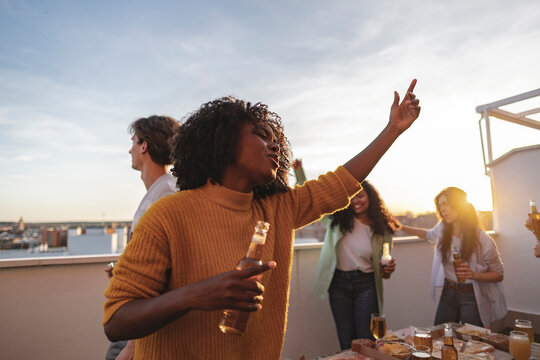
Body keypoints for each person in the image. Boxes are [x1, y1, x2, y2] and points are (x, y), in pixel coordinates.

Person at [103, 80, 421, 360]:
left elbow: (339, 183)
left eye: (275, 140)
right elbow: (117, 319)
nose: (273, 145)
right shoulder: (167, 215)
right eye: (259, 134)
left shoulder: (279, 208)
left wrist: (393, 129)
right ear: (222, 143)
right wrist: (195, 295)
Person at [105, 115, 179, 360]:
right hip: (141, 319)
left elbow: (165, 278)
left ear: (144, 146)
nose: (130, 149)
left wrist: (131, 348)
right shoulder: (161, 190)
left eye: (133, 141)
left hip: (143, 329)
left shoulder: (165, 195)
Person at [399, 187, 506, 328]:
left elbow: (498, 274)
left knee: (471, 340)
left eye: (446, 204)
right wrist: (401, 227)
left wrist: (473, 274)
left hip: (471, 295)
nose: (442, 209)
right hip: (448, 292)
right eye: (440, 205)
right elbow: (428, 235)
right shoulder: (443, 228)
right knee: (441, 335)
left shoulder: (483, 239)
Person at [311, 180, 398, 350]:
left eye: (360, 196)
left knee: (366, 339)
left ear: (370, 197)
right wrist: (300, 174)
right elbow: (314, 205)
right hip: (338, 285)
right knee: (346, 341)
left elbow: (384, 272)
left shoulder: (383, 229)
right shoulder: (336, 220)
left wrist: (388, 269)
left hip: (366, 285)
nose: (356, 201)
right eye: (351, 197)